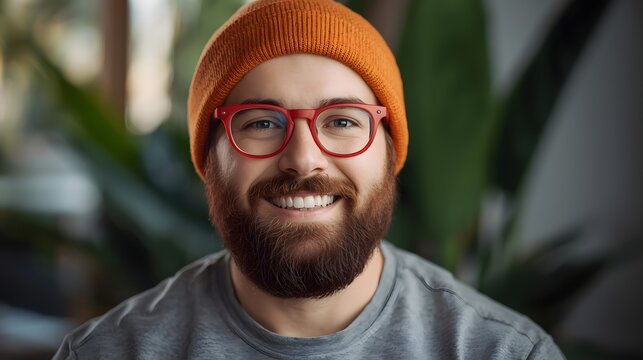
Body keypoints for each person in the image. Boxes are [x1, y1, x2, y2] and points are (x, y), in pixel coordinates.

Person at [55, 0, 565, 358]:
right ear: (207, 160)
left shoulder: (502, 353)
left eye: (342, 121)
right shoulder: (110, 353)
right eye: (260, 123)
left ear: (391, 153)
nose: (303, 160)